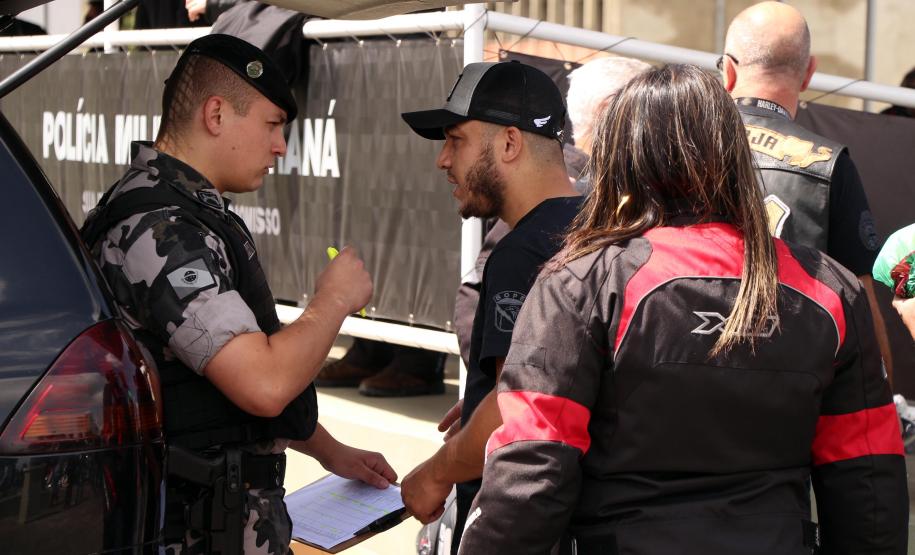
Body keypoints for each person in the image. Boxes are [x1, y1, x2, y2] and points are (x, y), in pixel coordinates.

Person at [458, 63, 908, 555]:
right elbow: (867, 480)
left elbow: (531, 467)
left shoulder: (582, 281)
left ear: (620, 156)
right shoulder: (830, 288)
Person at [80, 34, 396, 554]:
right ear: (217, 114)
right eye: (272, 125)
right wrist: (333, 301)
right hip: (193, 529)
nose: (280, 146)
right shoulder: (161, 228)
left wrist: (330, 451)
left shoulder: (185, 213)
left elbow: (216, 388)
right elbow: (262, 382)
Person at [398, 60, 582, 553]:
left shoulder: (521, 251)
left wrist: (435, 474)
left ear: (508, 143)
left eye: (455, 139)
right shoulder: (602, 228)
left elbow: (514, 409)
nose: (442, 160)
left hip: (513, 523)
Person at [720, 1, 895, 382]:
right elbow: (860, 300)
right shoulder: (830, 164)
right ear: (808, 73)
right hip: (791, 386)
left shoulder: (678, 146)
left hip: (675, 375)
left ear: (727, 72)